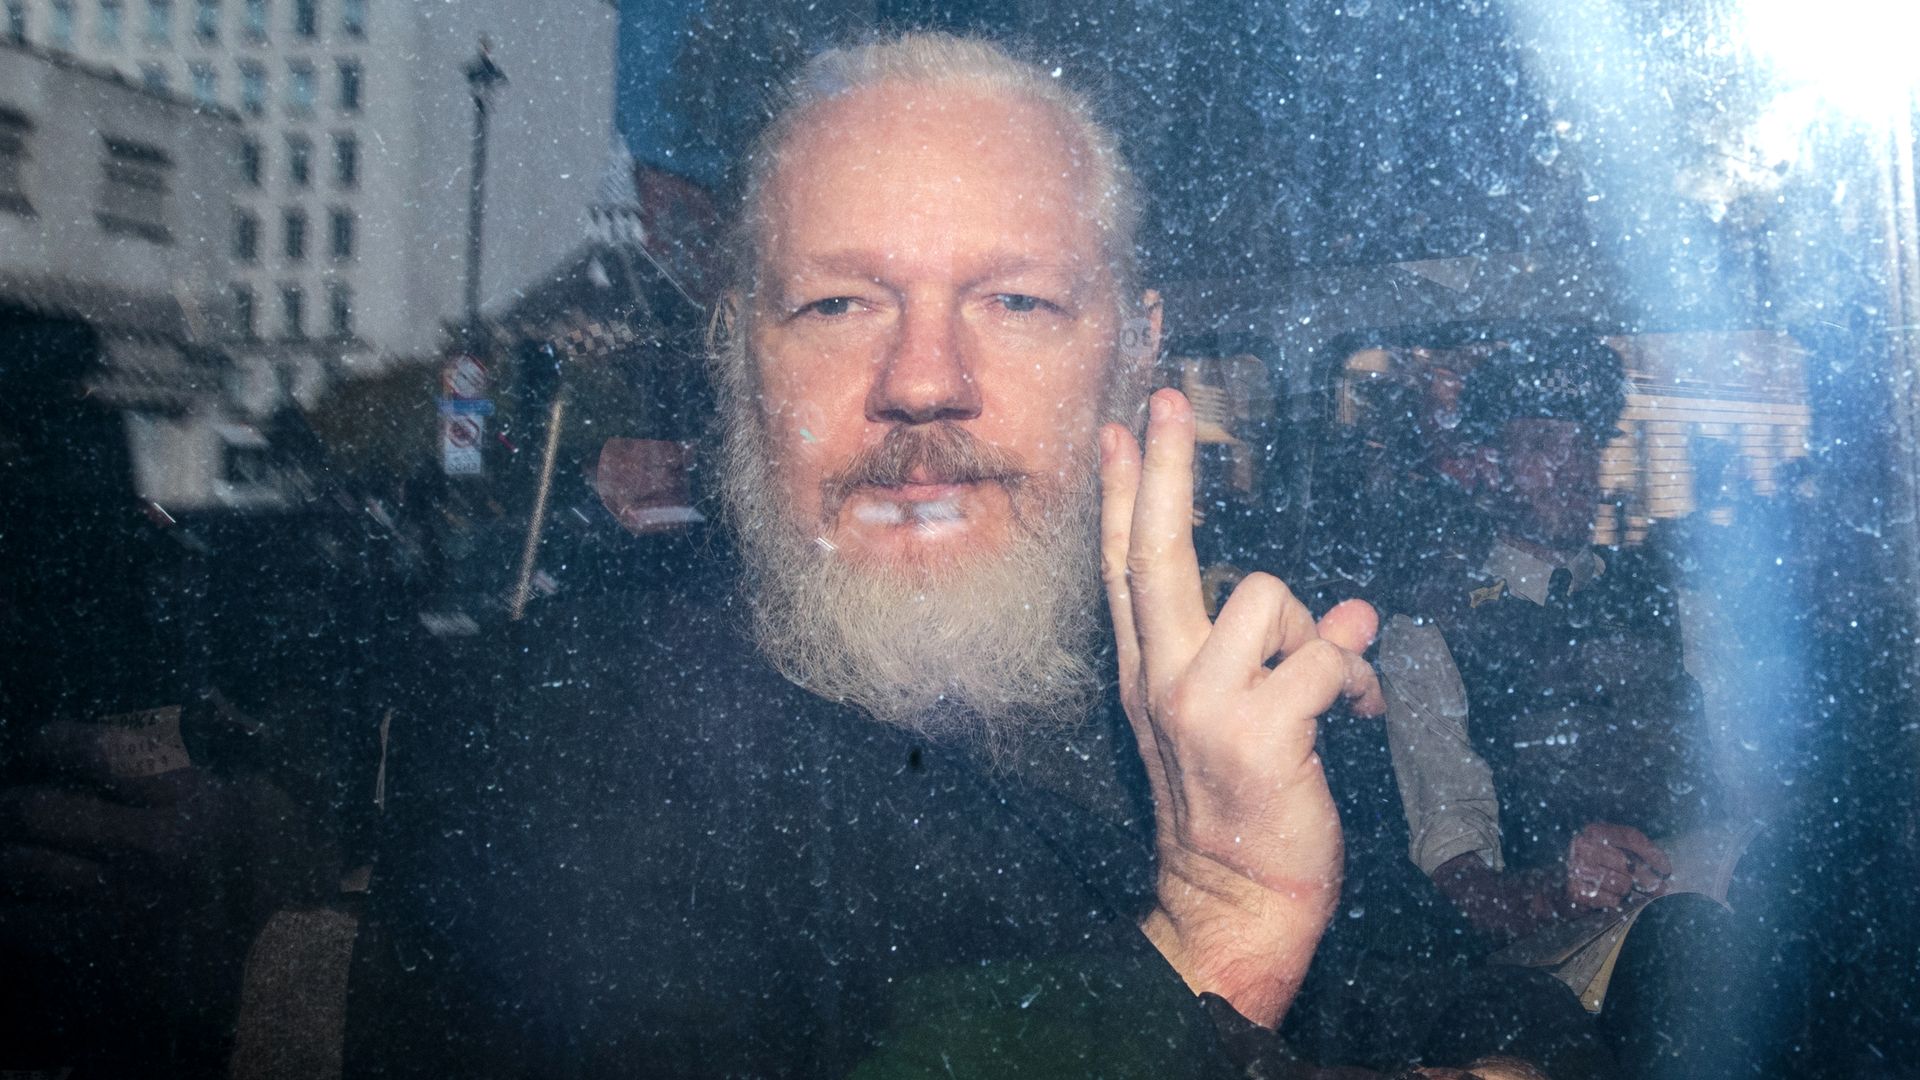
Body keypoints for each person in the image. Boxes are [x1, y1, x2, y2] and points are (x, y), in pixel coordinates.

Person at [347, 33, 1388, 1078]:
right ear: (738, 350)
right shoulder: (545, 768)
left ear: (1136, 344)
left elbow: (1476, 1011)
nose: (924, 379)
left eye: (1016, 301)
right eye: (838, 304)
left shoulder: (1230, 714)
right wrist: (1225, 928)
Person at [1377, 336, 1797, 1076]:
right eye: (1542, 444)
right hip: (1568, 969)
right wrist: (1557, 890)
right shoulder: (1429, 636)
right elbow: (1461, 877)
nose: (1576, 469)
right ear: (1487, 469)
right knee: (1689, 944)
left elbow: (1764, 793)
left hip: (1729, 900)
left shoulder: (1680, 605)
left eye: (1588, 443)